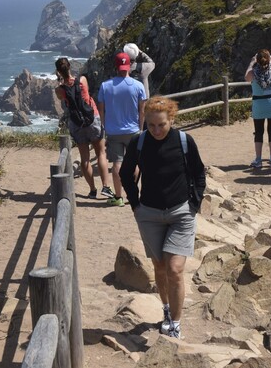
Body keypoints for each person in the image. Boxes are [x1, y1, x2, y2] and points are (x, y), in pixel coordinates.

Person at [120, 96, 205, 340]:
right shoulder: (139, 141)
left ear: (171, 120)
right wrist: (135, 205)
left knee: (175, 269)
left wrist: (194, 204)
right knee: (159, 266)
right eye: (151, 125)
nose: (156, 130)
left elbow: (199, 173)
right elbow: (126, 174)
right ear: (145, 122)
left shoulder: (184, 141)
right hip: (149, 213)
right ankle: (166, 309)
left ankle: (175, 325)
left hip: (181, 212)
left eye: (162, 125)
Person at [54, 57, 114, 200]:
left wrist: (60, 80)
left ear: (58, 71)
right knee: (101, 154)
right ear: (69, 67)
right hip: (92, 119)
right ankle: (106, 186)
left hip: (77, 124)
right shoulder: (82, 81)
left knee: (85, 159)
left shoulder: (59, 90)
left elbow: (61, 98)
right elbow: (85, 91)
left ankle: (92, 190)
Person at [97, 52, 148, 207]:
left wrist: (105, 127)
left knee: (117, 163)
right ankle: (133, 193)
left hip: (114, 131)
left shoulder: (105, 86)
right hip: (133, 130)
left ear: (116, 66)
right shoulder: (138, 86)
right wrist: (140, 128)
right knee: (136, 163)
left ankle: (118, 197)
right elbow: (142, 111)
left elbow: (101, 110)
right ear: (129, 66)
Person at [246, 49, 271, 168]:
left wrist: (252, 63)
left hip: (259, 104)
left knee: (259, 131)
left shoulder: (253, 72)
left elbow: (247, 77)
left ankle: (258, 159)